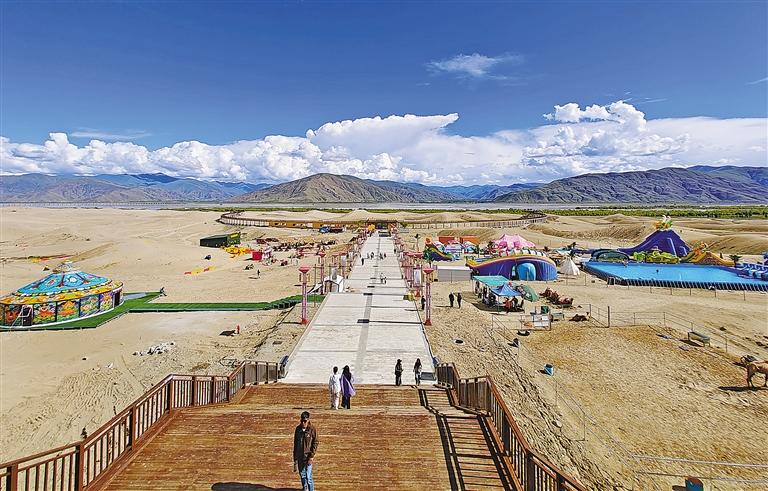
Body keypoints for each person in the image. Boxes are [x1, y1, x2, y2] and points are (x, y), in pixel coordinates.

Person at [293, 411, 318, 491]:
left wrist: (311, 456)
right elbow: (295, 443)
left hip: (308, 456)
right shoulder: (298, 429)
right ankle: (305, 488)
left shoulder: (312, 429)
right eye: (301, 421)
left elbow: (315, 442)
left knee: (309, 477)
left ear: (308, 420)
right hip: (300, 456)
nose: (303, 423)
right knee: (302, 475)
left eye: (305, 421)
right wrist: (295, 458)